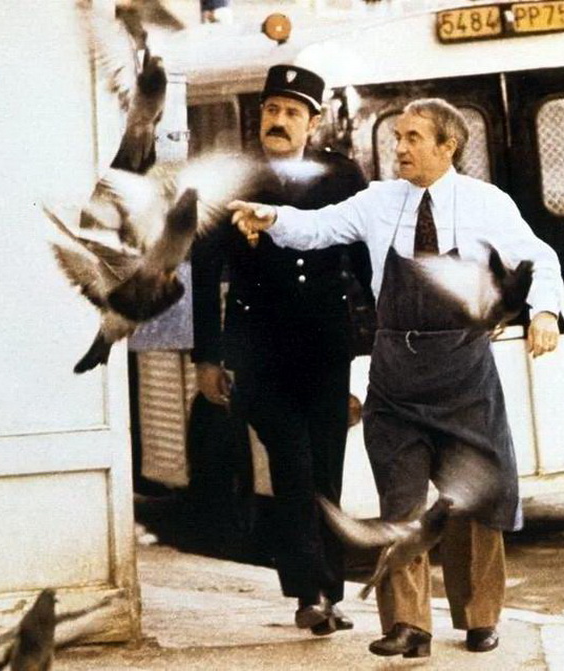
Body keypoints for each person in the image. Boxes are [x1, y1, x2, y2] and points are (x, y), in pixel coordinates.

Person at [228, 97, 563, 657]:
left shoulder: (487, 203)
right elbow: (319, 227)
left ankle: (480, 617)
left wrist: (545, 312)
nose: (399, 148)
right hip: (396, 374)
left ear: (447, 146)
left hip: (463, 371)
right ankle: (408, 625)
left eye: (412, 138)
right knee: (400, 504)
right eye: (397, 137)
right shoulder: (378, 200)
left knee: (476, 501)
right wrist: (275, 218)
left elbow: (540, 259)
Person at [191, 64, 371, 636]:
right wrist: (206, 357)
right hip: (259, 350)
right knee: (292, 466)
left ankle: (329, 595)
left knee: (327, 469)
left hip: (326, 346)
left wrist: (372, 350)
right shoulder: (234, 179)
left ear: (313, 124)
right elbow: (205, 271)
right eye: (272, 109)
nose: (279, 120)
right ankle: (307, 595)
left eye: (293, 112)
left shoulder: (343, 176)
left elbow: (365, 263)